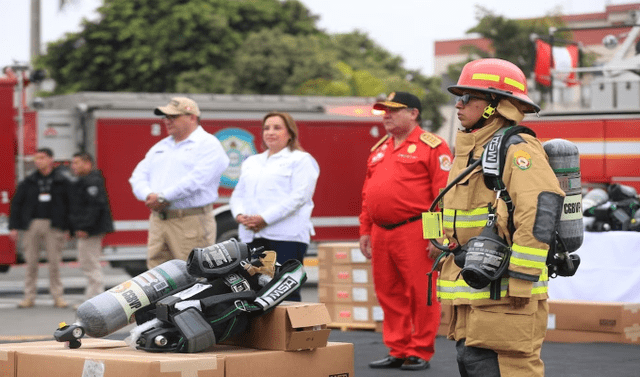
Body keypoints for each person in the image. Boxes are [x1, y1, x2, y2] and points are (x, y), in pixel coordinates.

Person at [434, 58, 565, 376]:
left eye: (468, 97)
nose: (458, 105)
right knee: (474, 363)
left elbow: (540, 212)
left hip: (508, 296)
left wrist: (521, 280)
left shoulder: (518, 148)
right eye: (459, 96)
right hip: (477, 294)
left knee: (509, 369)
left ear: (496, 106)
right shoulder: (473, 149)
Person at [359, 92, 453, 370]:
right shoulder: (379, 149)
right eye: (384, 111)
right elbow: (367, 193)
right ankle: (397, 348)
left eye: (393, 110)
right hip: (381, 231)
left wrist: (437, 234)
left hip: (416, 228)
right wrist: (365, 229)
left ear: (413, 113)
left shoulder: (432, 146)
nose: (386, 115)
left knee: (421, 292)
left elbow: (442, 195)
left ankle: (420, 350)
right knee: (388, 293)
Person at [129, 97, 230, 269]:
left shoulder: (208, 144)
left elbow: (197, 179)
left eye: (173, 117)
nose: (167, 121)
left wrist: (162, 197)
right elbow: (137, 175)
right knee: (156, 278)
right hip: (159, 220)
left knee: (193, 275)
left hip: (191, 220)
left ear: (192, 117)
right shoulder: (161, 146)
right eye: (165, 117)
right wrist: (148, 195)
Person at [229, 111, 319, 301]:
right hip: (252, 235)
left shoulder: (302, 160)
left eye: (277, 128)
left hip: (286, 237)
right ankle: (262, 332)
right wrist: (240, 215)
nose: (270, 132)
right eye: (266, 128)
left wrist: (264, 219)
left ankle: (287, 331)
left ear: (290, 133)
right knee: (253, 291)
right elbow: (239, 193)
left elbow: (299, 197)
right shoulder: (252, 162)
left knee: (284, 292)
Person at [8, 148, 70, 308]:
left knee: (54, 263)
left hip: (54, 225)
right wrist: (14, 227)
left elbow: (69, 205)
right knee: (31, 263)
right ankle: (29, 297)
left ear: (50, 159)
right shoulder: (28, 181)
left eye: (42, 158)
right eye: (36, 158)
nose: (38, 161)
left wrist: (69, 227)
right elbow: (17, 205)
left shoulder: (61, 180)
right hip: (32, 224)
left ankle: (58, 296)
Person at [69, 152, 114, 306]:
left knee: (90, 264)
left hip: (91, 231)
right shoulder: (86, 181)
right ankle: (92, 298)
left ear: (87, 163)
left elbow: (94, 208)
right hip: (89, 230)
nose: (73, 166)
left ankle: (97, 299)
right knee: (87, 263)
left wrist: (85, 228)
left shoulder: (92, 181)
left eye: (77, 162)